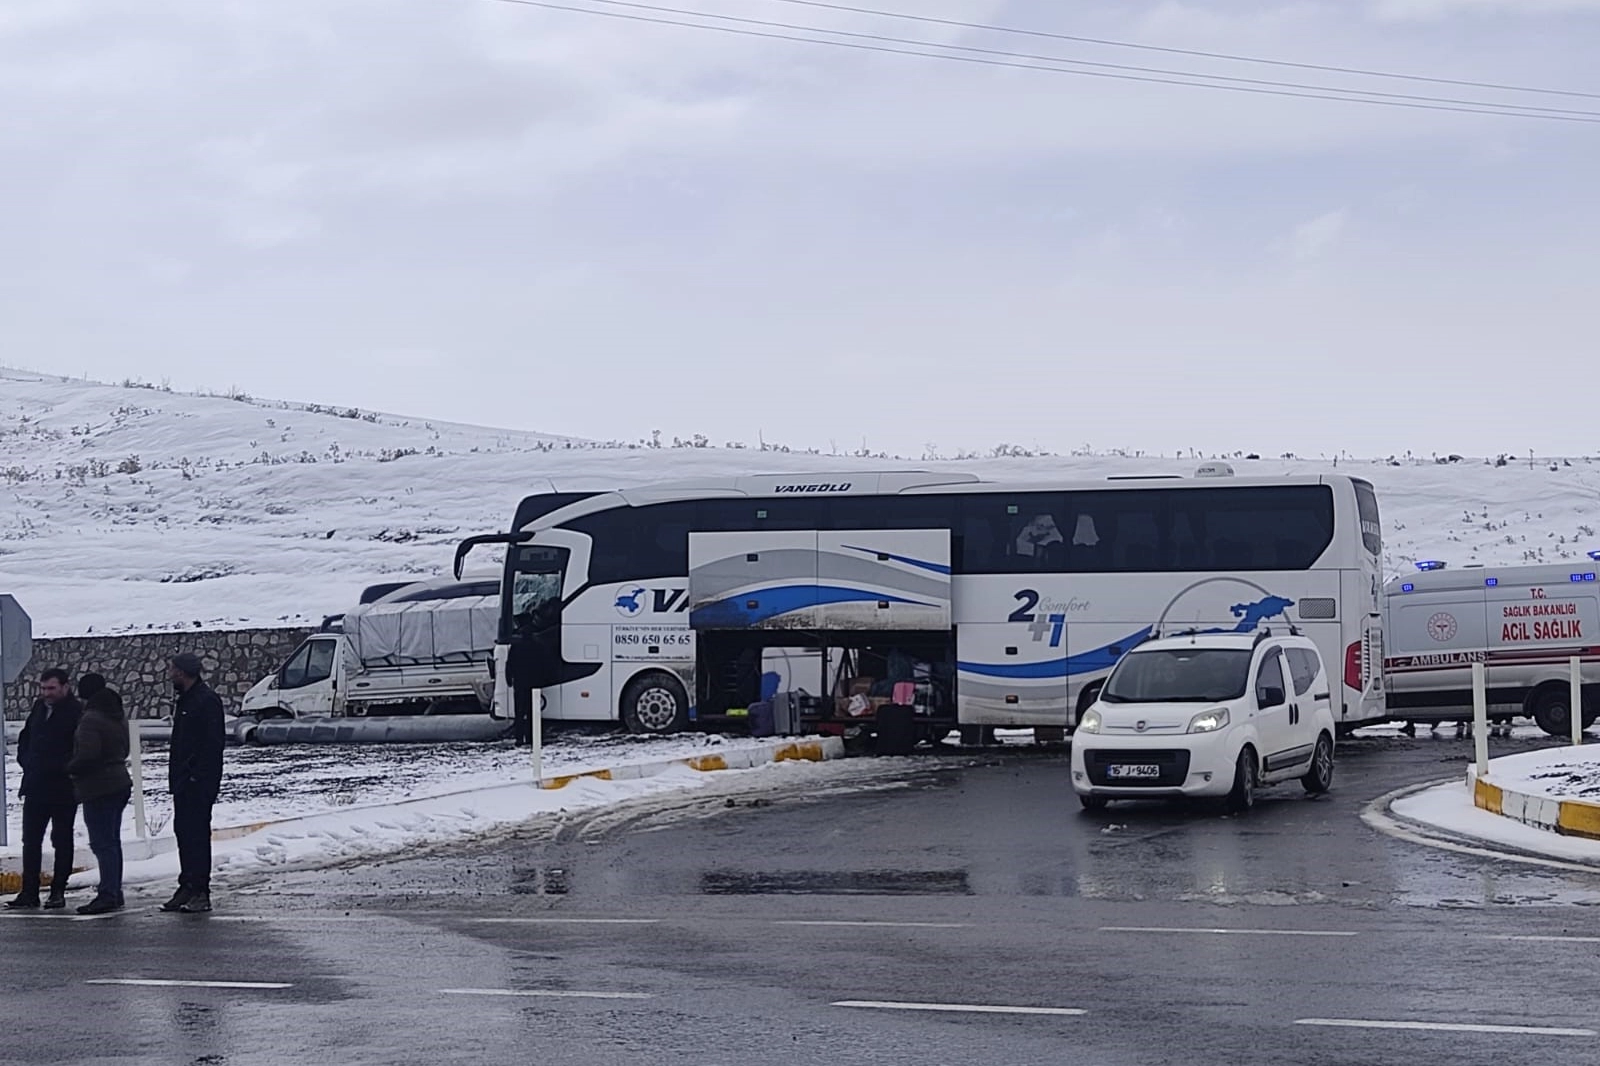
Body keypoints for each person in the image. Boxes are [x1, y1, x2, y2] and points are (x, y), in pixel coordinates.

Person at [6, 668, 84, 910]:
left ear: (65, 687)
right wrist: (27, 761)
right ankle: (29, 892)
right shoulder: (40, 709)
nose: (46, 693)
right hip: (35, 786)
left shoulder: (76, 712)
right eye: (43, 688)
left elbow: (79, 747)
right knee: (30, 840)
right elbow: (26, 737)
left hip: (62, 788)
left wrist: (62, 767)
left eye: (51, 688)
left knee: (61, 839)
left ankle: (58, 891)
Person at [164, 653, 225, 914]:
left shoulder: (206, 701)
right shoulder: (186, 700)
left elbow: (212, 745)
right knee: (184, 833)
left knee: (197, 836)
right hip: (183, 781)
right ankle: (187, 884)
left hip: (198, 783)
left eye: (173, 670)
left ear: (183, 672)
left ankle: (201, 889)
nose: (170, 674)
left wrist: (196, 776)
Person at [67, 674, 133, 915]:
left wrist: (70, 769)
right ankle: (114, 891)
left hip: (98, 786)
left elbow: (87, 755)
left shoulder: (91, 719)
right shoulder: (117, 714)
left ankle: (108, 894)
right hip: (119, 780)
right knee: (112, 842)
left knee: (102, 843)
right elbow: (125, 748)